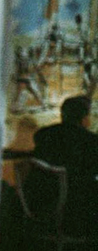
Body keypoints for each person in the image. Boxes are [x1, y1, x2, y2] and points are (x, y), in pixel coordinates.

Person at [31, 95, 98, 233]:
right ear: (85, 118)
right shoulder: (91, 141)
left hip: (42, 201)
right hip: (77, 207)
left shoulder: (43, 135)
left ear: (62, 115)